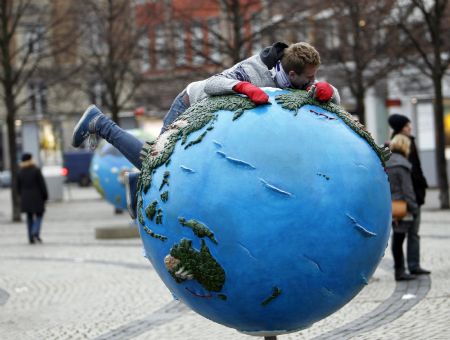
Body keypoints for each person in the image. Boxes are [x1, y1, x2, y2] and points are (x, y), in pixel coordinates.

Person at [72, 42, 341, 217]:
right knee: (157, 157)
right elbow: (213, 84)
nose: (312, 82)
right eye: (309, 77)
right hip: (190, 104)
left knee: (163, 165)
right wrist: (243, 87)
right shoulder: (254, 69)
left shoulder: (296, 83)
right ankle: (100, 123)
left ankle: (137, 183)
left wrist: (328, 92)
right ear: (292, 74)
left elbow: (332, 99)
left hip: (214, 121)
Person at [388, 114, 430, 275]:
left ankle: (408, 267)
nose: (409, 128)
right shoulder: (401, 150)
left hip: (403, 199)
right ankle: (402, 269)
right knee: (401, 235)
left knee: (407, 234)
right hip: (404, 200)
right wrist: (413, 202)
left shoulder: (395, 149)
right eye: (407, 126)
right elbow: (410, 178)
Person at [386, 135, 418, 281]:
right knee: (399, 239)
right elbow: (408, 190)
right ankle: (400, 271)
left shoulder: (387, 162)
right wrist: (414, 207)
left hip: (391, 205)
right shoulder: (402, 165)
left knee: (396, 239)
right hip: (402, 207)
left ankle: (399, 269)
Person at [17, 153, 48, 244]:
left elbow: (18, 187)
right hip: (37, 197)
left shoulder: (20, 172)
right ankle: (35, 231)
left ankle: (31, 237)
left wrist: (21, 196)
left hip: (25, 198)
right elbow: (42, 184)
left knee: (29, 217)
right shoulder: (36, 170)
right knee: (39, 215)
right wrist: (45, 196)